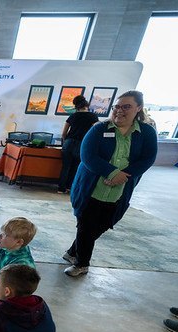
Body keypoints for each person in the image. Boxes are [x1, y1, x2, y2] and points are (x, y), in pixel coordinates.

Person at [64, 90, 158, 277]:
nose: (119, 111)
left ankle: (73, 252)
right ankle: (82, 264)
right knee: (85, 224)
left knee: (105, 222)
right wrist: (112, 173)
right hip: (91, 187)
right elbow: (87, 156)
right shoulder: (99, 129)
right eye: (117, 107)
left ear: (138, 108)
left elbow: (148, 158)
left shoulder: (146, 132)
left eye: (126, 106)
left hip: (121, 188)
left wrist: (123, 176)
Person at [57, 95, 98, 193]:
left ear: (76, 106)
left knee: (65, 167)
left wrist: (64, 143)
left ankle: (61, 189)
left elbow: (64, 133)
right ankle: (69, 187)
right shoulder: (93, 117)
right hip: (82, 144)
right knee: (76, 167)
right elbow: (93, 132)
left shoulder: (72, 116)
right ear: (86, 105)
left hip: (68, 143)